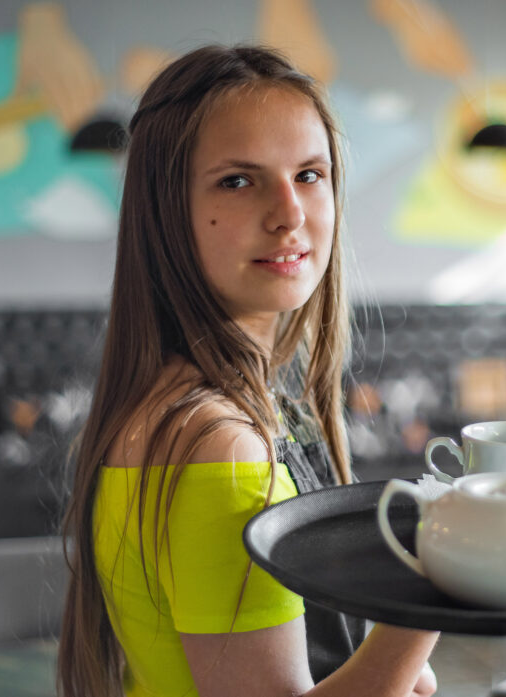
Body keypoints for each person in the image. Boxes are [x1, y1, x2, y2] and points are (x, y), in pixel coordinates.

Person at [57, 44, 438, 697]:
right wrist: (435, 591)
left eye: (310, 175)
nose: (290, 213)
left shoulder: (203, 409)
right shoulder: (215, 442)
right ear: (166, 212)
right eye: (238, 179)